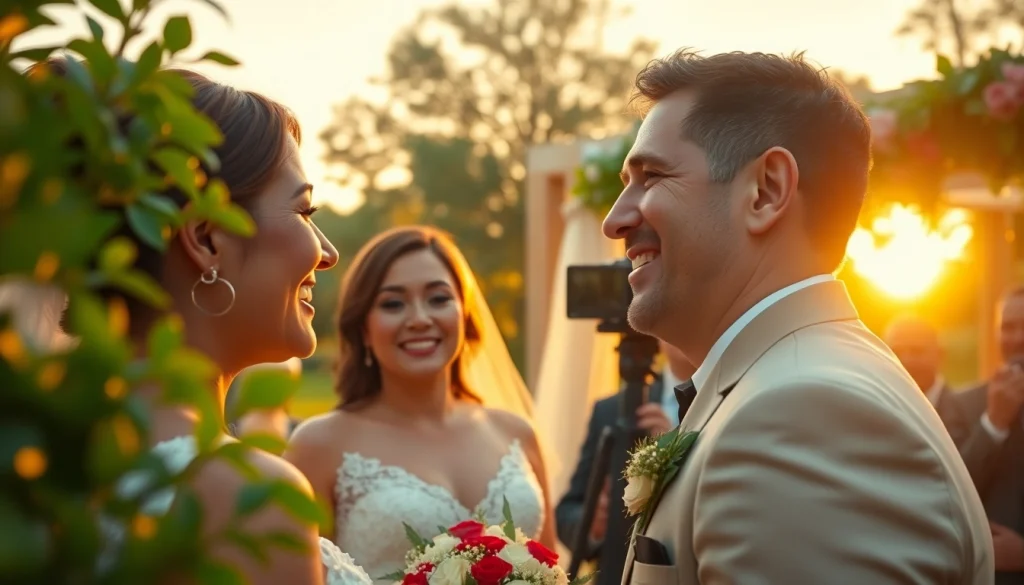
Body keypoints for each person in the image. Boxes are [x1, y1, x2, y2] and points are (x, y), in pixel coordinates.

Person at [602, 49, 992, 584]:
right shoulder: (788, 384)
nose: (615, 220)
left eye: (652, 176)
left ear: (766, 191)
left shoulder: (802, 415)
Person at [44, 59, 369, 585]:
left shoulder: (38, 468)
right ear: (208, 238)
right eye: (305, 213)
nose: (328, 253)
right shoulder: (244, 499)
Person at [285, 226, 555, 583]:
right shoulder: (319, 445)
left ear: (465, 311)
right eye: (393, 304)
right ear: (363, 328)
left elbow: (554, 566)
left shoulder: (516, 432)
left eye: (438, 298)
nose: (419, 319)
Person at [555, 339, 694, 584]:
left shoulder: (737, 404)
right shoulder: (609, 411)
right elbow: (567, 511)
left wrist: (675, 450)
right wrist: (594, 524)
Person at [947, 287, 1024, 583]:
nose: (1017, 338)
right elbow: (950, 491)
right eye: (1008, 327)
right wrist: (993, 423)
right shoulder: (963, 404)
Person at [883, 315, 958, 424]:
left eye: (916, 351)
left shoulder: (967, 413)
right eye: (896, 352)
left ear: (940, 355)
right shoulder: (877, 409)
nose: (905, 360)